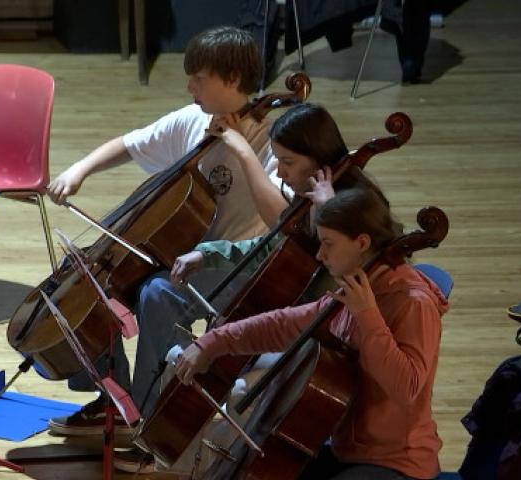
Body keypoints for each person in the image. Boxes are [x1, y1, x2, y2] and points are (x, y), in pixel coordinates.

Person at [113, 103, 387, 473]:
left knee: (242, 391)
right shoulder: (310, 197)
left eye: (287, 162)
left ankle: (203, 457)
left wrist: (328, 215)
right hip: (293, 314)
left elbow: (362, 281)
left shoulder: (351, 207)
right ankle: (163, 434)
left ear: (318, 158)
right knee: (186, 331)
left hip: (328, 335)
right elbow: (276, 246)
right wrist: (209, 254)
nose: (281, 172)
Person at [45, 24, 283, 436]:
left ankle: (147, 414)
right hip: (179, 255)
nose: (189, 85)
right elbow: (131, 143)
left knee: (157, 293)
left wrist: (243, 153)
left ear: (231, 79)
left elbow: (281, 216)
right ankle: (113, 398)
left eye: (199, 78)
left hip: (238, 265)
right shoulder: (195, 119)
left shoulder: (271, 137)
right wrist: (79, 169)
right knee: (89, 284)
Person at [175, 187, 448, 480]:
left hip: (398, 462)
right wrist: (212, 342)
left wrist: (367, 315)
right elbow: (283, 324)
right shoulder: (356, 287)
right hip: (349, 450)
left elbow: (406, 388)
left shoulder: (413, 303)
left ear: (362, 242)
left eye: (328, 243)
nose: (320, 254)